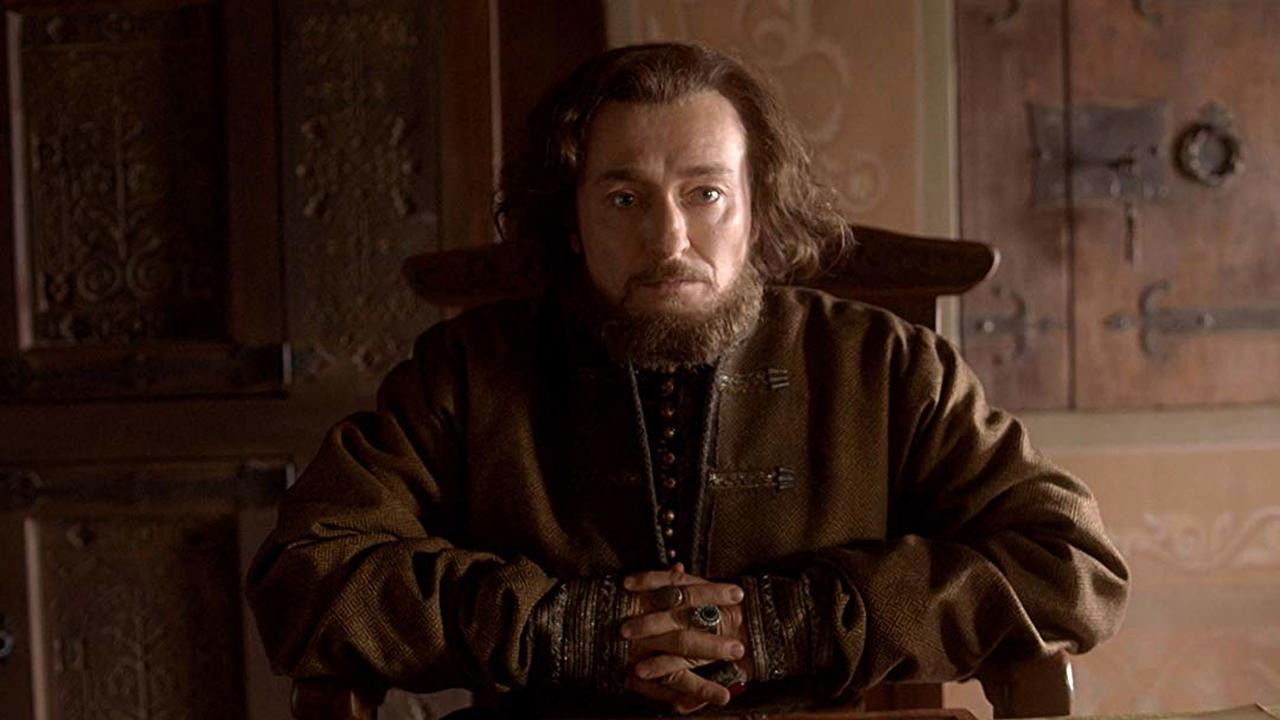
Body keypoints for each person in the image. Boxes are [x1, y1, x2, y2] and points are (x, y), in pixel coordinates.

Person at [247, 42, 1129, 717]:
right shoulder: (469, 371)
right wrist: (571, 629)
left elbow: (1071, 565)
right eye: (623, 199)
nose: (668, 240)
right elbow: (306, 574)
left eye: (704, 193)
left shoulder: (887, 366)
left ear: (757, 208)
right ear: (572, 221)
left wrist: (787, 625)